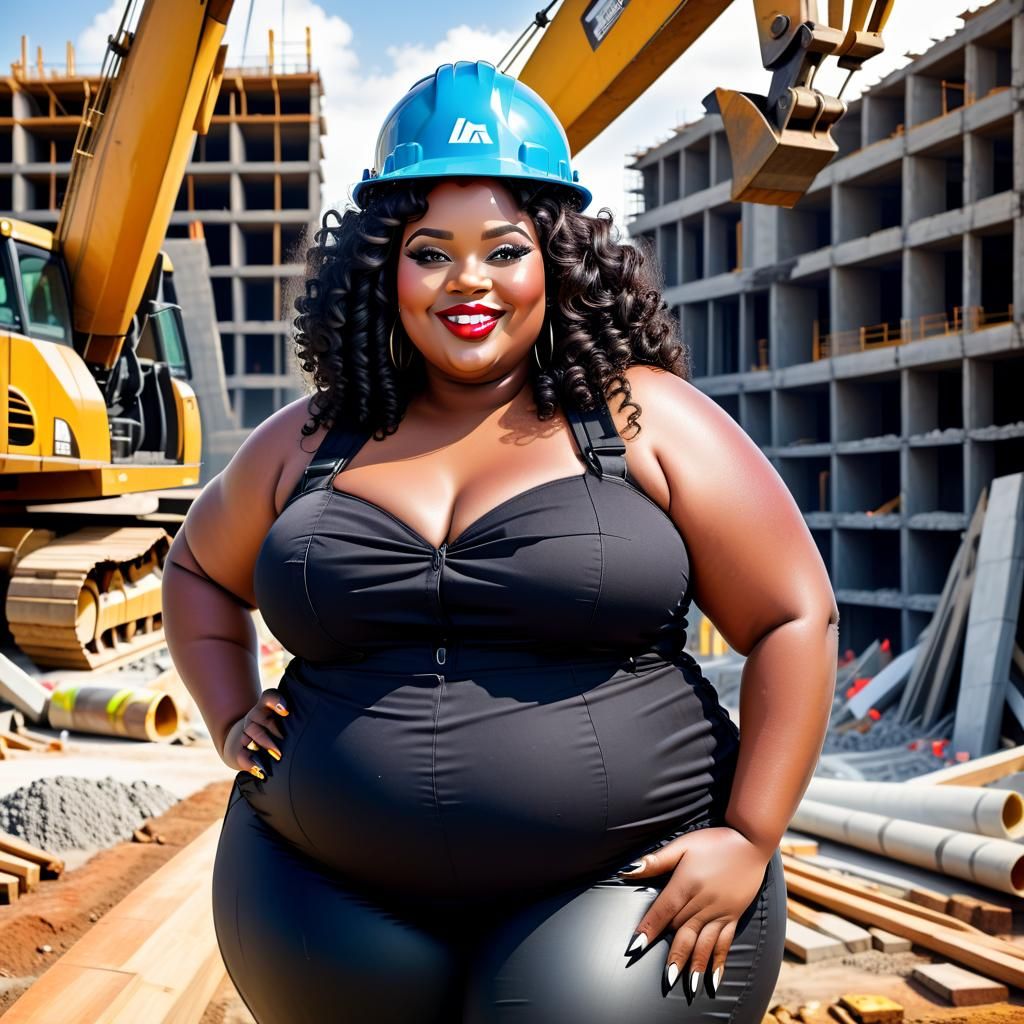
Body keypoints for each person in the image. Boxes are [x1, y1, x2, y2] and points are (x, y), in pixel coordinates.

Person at [163, 59, 839, 1024]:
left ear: (556, 262)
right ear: (382, 267)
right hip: (319, 893)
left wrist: (749, 833)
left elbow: (792, 613)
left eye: (504, 249)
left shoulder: (643, 419)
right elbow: (194, 566)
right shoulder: (313, 436)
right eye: (431, 251)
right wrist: (230, 714)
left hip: (621, 893)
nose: (468, 282)